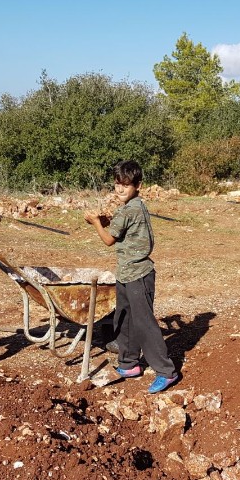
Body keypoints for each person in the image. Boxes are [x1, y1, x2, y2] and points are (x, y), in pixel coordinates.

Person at [84, 160, 178, 393]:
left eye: (125, 185)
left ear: (138, 185)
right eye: (117, 184)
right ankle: (129, 364)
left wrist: (96, 223)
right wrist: (106, 221)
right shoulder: (134, 206)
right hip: (126, 273)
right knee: (124, 319)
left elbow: (108, 239)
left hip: (138, 274)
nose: (120, 189)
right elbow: (120, 226)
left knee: (144, 323)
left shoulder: (128, 209)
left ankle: (166, 372)